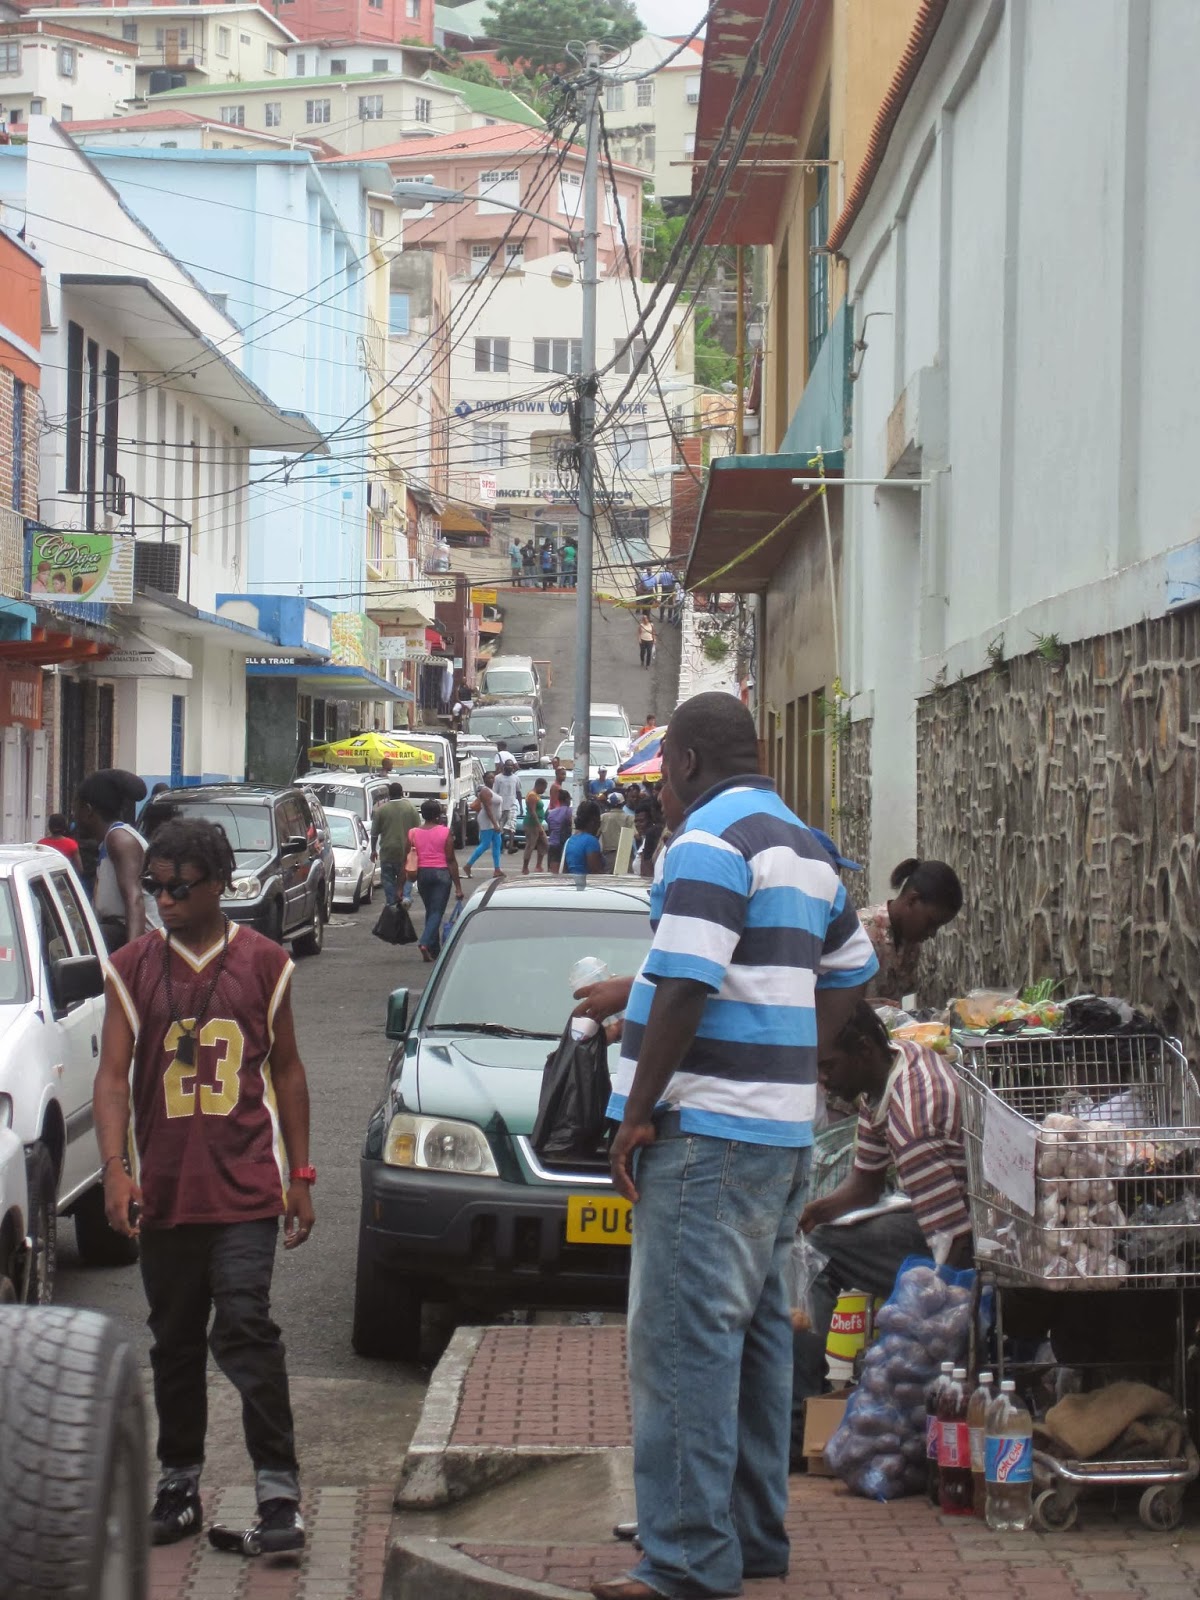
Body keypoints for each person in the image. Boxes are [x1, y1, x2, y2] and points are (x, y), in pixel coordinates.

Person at [573, 692, 878, 1600]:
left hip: (705, 1134)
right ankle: (751, 1537)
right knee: (753, 1343)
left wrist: (637, 1113)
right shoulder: (809, 848)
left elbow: (687, 984)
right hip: (780, 1135)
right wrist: (797, 1054)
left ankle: (685, 1559)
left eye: (665, 775)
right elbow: (851, 972)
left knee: (681, 1345)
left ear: (687, 763)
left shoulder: (708, 841)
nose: (662, 795)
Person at [92, 818, 314, 1557]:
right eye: (155, 888)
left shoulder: (265, 962)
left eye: (179, 888)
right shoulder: (131, 966)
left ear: (219, 884)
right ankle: (179, 1486)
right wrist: (115, 1170)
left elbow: (288, 1069)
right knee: (175, 1342)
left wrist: (301, 1175)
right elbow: (111, 1076)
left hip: (246, 1187)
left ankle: (279, 1497)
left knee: (247, 1326)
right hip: (164, 1190)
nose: (163, 901)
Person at [792, 1001, 970, 1424]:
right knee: (818, 1238)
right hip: (933, 1216)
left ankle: (802, 1412)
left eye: (829, 1066)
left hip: (962, 1237)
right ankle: (811, 1397)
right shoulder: (890, 1072)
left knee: (823, 1255)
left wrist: (931, 1316)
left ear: (864, 1050)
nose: (824, 1079)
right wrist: (813, 1212)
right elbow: (866, 1184)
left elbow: (953, 1238)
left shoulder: (912, 1122)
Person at [75, 768, 161, 951]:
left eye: (76, 808)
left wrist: (132, 958)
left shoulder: (119, 839)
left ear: (88, 810)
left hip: (147, 945)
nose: (74, 816)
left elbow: (134, 899)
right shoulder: (109, 841)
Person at [861, 857, 964, 1004]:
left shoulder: (910, 943)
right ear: (912, 900)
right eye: (930, 923)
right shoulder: (860, 935)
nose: (932, 934)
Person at [409, 798, 463, 961]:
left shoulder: (413, 833)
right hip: (441, 874)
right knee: (437, 911)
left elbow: (408, 858)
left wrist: (402, 885)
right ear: (438, 816)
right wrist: (458, 886)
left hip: (422, 874)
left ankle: (434, 949)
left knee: (431, 911)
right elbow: (451, 859)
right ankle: (425, 943)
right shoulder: (445, 832)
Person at [370, 782, 419, 908]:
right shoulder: (411, 808)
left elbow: (374, 834)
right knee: (407, 875)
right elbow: (418, 831)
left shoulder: (381, 810)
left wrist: (373, 850)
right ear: (402, 793)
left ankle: (391, 902)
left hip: (388, 852)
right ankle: (405, 896)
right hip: (406, 852)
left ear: (389, 794)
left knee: (388, 879)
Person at [464, 772, 504, 879]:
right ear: (484, 779)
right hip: (487, 820)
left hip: (493, 820)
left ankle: (497, 869)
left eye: (492, 778)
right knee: (485, 844)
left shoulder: (492, 790)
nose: (491, 779)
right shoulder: (485, 791)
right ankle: (468, 865)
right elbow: (487, 809)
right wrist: (494, 823)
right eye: (489, 778)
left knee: (497, 843)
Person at [562, 800, 604, 875]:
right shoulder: (591, 841)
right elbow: (596, 873)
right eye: (598, 822)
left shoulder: (570, 840)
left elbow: (565, 870)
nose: (599, 826)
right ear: (593, 822)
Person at [521, 776, 549, 874]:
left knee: (543, 844)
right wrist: (539, 826)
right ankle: (525, 867)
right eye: (544, 788)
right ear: (539, 785)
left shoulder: (536, 795)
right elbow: (533, 812)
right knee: (530, 845)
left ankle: (538, 865)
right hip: (532, 824)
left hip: (538, 823)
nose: (544, 791)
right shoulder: (532, 796)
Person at [599, 789, 629, 872]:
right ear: (623, 804)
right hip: (625, 855)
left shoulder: (603, 817)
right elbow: (636, 835)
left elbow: (596, 834)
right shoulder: (628, 817)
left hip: (607, 855)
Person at [545, 785, 573, 871]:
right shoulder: (570, 811)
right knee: (564, 870)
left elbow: (550, 829)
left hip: (553, 843)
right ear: (567, 800)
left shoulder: (551, 813)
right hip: (565, 843)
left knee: (553, 870)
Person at [630, 802, 660, 879]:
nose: (637, 824)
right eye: (636, 821)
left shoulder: (653, 839)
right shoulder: (643, 839)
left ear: (651, 821)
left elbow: (648, 870)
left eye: (641, 821)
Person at [493, 759, 521, 835]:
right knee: (500, 826)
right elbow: (494, 793)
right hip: (500, 806)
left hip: (512, 806)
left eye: (511, 765)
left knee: (512, 827)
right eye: (508, 765)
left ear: (513, 767)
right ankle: (501, 841)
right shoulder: (498, 778)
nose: (509, 767)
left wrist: (520, 806)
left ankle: (511, 842)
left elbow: (518, 792)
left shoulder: (516, 778)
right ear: (504, 766)